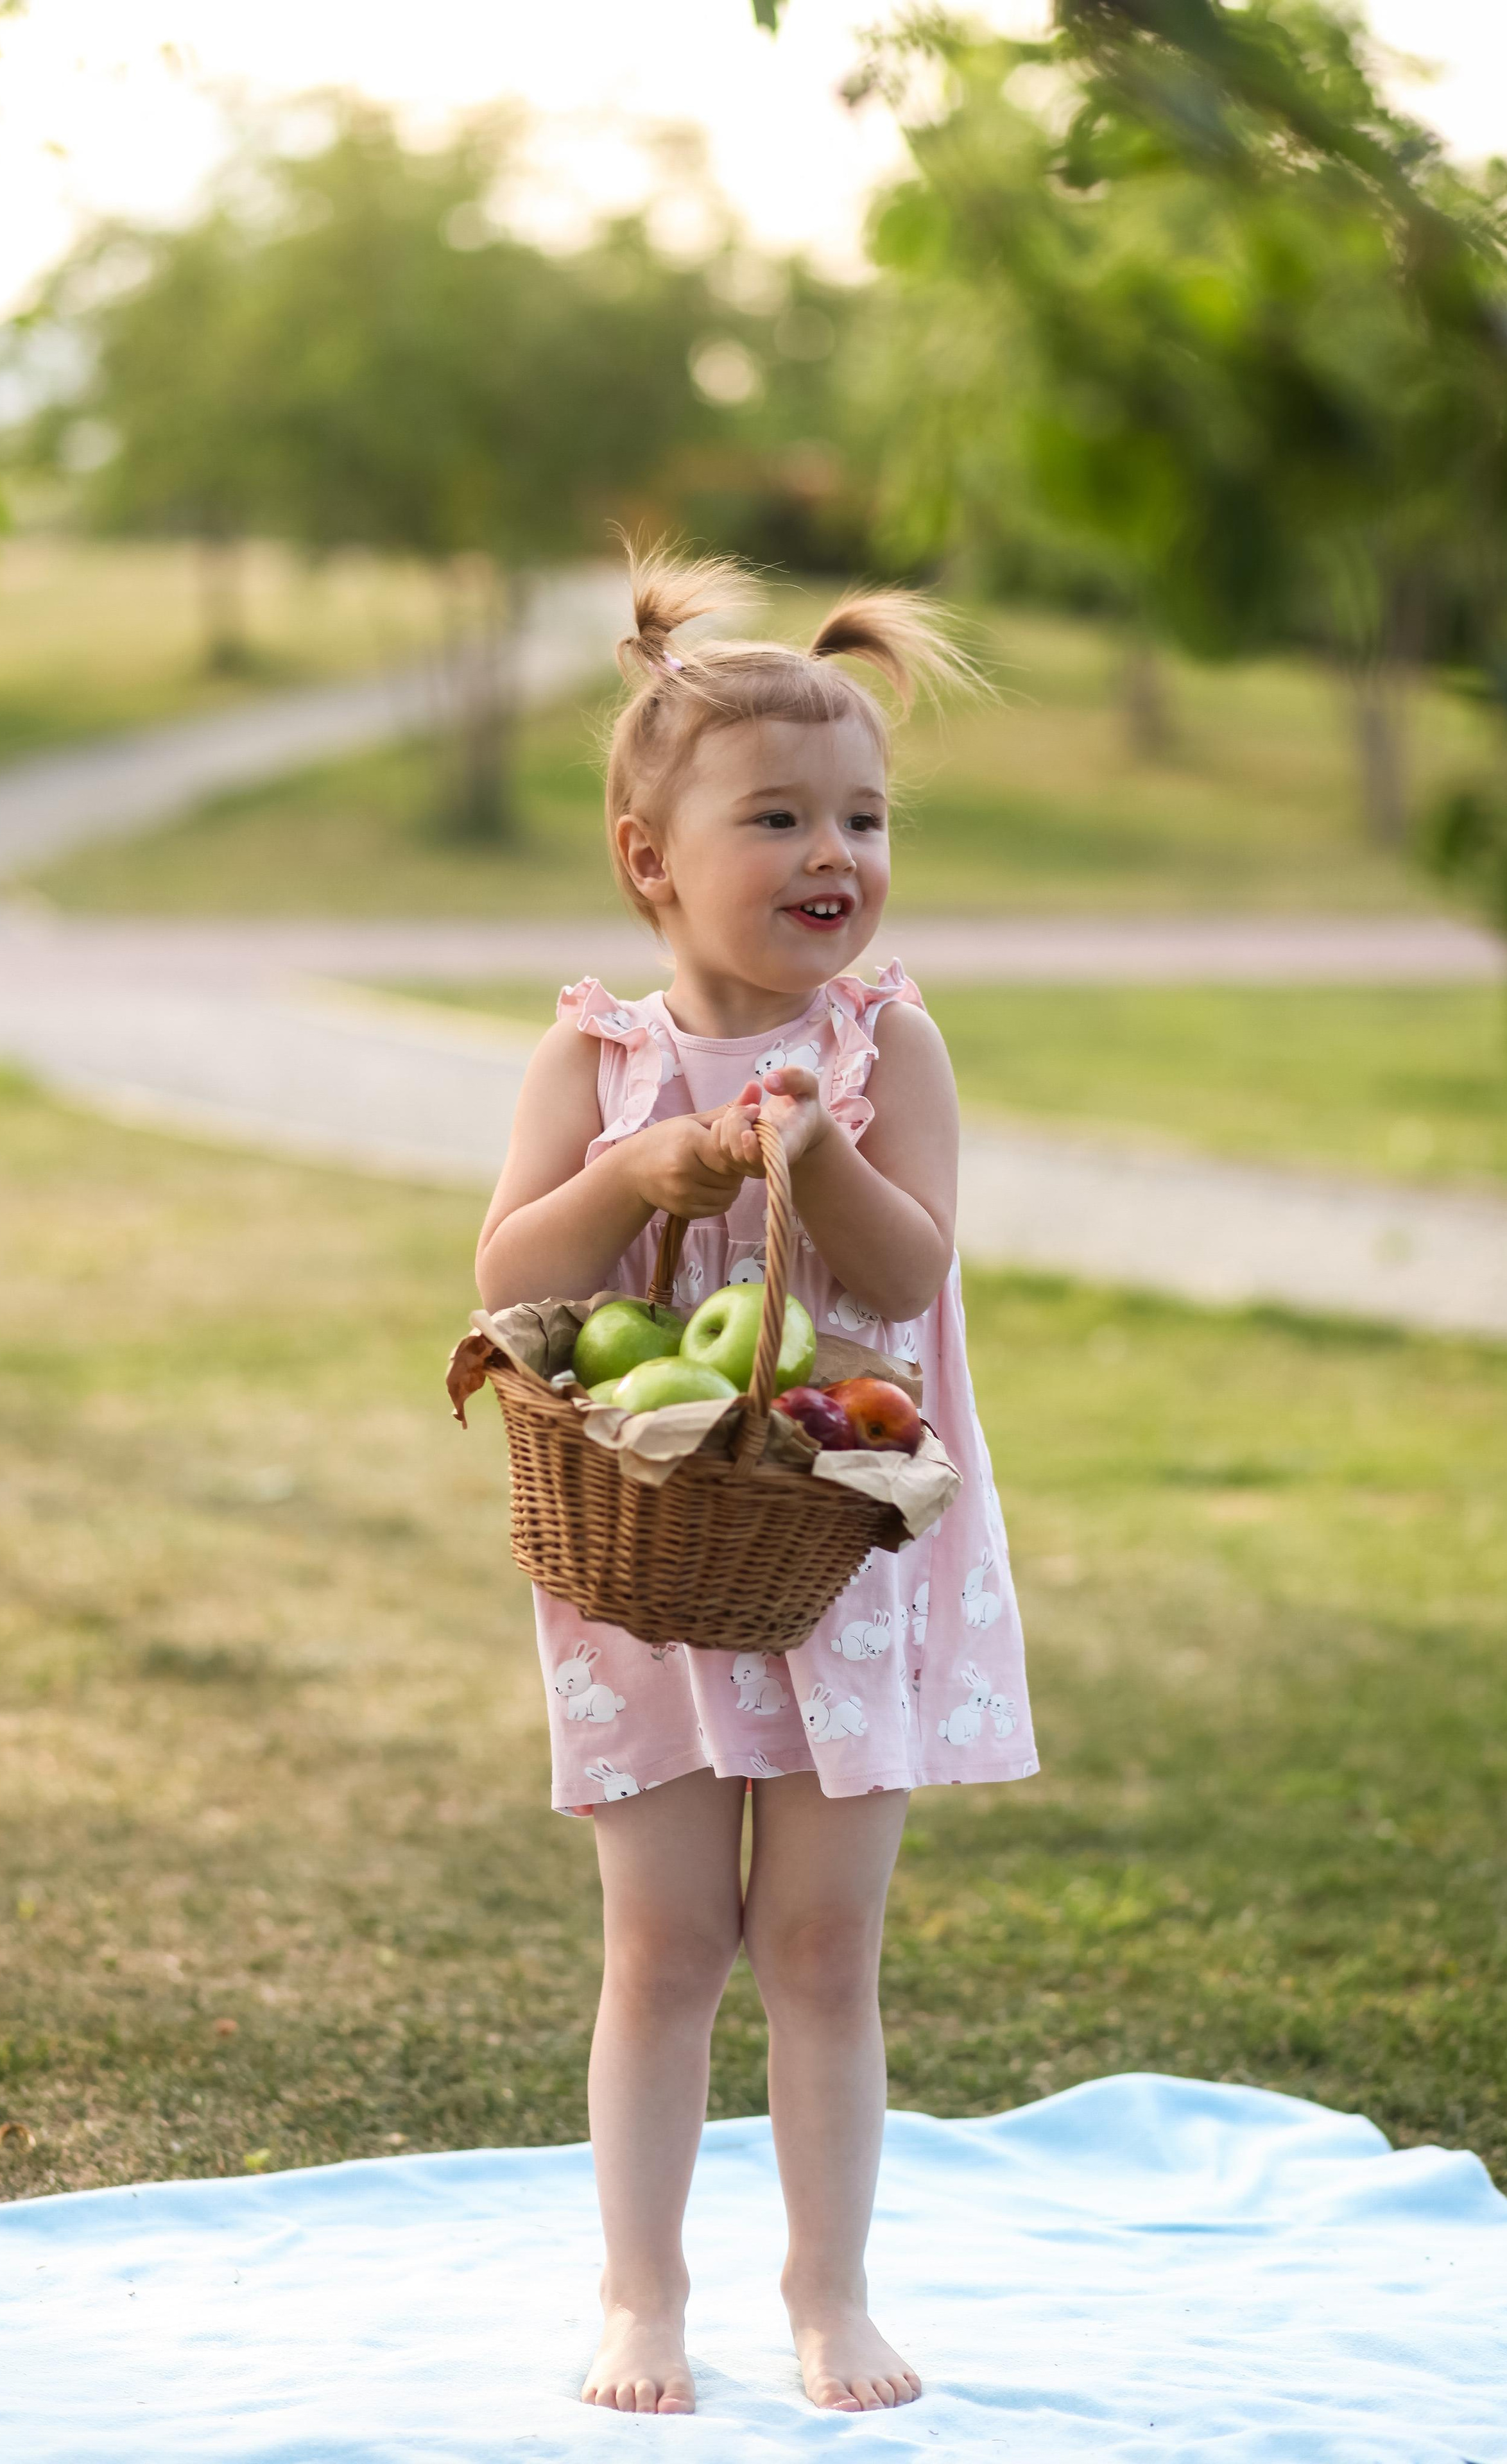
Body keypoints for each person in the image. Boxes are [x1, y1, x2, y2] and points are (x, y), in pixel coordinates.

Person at [474, 547, 1037, 2417]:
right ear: (652, 861)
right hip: (650, 1555)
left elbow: (904, 1276)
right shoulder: (601, 1050)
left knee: (817, 1939)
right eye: (782, 816)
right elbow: (513, 1279)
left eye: (865, 819)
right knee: (664, 1939)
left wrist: (816, 1157)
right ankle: (641, 2294)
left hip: (838, 1550)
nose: (838, 854)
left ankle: (828, 2289)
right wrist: (643, 1181)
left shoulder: (889, 1044)